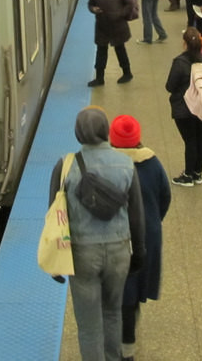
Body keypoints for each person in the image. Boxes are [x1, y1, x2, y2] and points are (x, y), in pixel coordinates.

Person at [49, 108, 146, 361]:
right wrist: (139, 252)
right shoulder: (126, 164)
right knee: (113, 313)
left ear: (78, 133)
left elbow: (54, 216)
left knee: (89, 325)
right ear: (105, 130)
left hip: (83, 254)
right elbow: (136, 214)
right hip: (119, 251)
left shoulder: (65, 165)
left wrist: (55, 261)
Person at [110, 115, 171, 361]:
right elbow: (165, 196)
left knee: (123, 291)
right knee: (134, 289)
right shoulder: (152, 163)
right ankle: (129, 330)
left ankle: (125, 348)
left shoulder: (110, 165)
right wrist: (153, 221)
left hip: (119, 236)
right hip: (148, 235)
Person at [164, 28, 202, 187]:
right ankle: (198, 173)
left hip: (185, 108)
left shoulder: (180, 62)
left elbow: (170, 86)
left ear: (184, 43)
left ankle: (188, 175)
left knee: (190, 141)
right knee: (200, 138)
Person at [87, 0, 135, 86]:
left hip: (117, 26)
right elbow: (90, 4)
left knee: (120, 50)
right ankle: (99, 78)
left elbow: (130, 3)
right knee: (101, 52)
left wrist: (120, 14)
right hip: (102, 26)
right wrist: (93, 9)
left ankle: (127, 73)